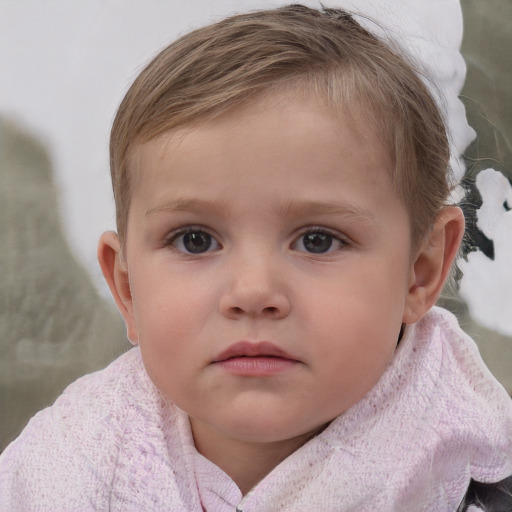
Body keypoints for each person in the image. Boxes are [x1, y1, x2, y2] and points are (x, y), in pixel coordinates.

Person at [1, 4, 511, 511]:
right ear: (128, 288)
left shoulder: (474, 482)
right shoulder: (60, 472)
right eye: (195, 240)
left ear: (419, 272)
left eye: (318, 240)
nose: (252, 292)